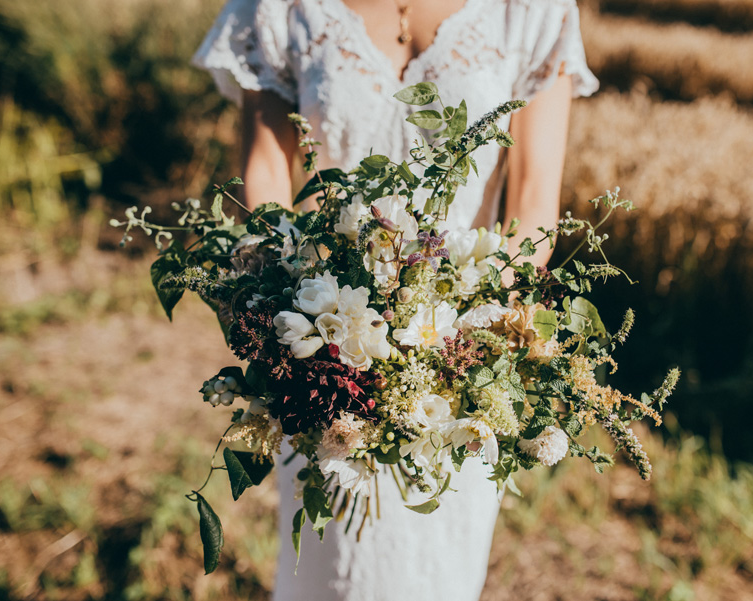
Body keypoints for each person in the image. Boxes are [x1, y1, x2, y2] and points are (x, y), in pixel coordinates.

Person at [193, 1, 598, 599]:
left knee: (438, 571)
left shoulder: (530, 9)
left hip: (460, 374)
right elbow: (266, 177)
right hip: (320, 359)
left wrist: (461, 346)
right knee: (327, 574)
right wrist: (287, 319)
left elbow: (533, 199)